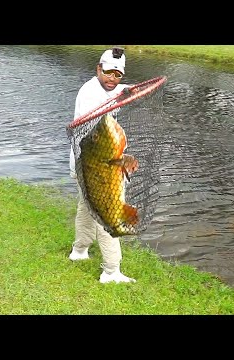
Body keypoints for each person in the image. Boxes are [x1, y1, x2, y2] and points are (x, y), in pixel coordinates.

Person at [68, 47, 137, 284]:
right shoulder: (90, 96)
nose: (112, 78)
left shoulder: (108, 86)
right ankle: (111, 270)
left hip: (90, 163)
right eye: (107, 72)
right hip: (93, 167)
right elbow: (99, 144)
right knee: (105, 211)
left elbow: (116, 89)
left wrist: (126, 90)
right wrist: (122, 159)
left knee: (86, 207)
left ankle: (79, 250)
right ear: (98, 68)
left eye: (117, 74)